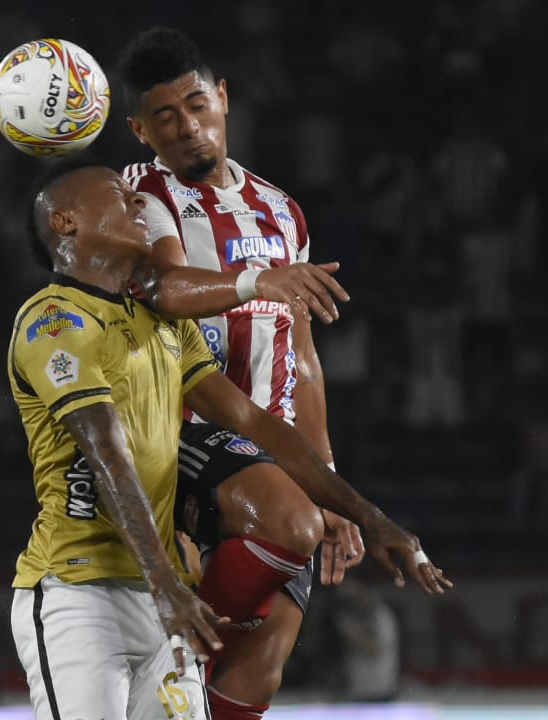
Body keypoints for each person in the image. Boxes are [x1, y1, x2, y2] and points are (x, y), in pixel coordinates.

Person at [8, 158, 448, 720]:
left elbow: (257, 424)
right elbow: (106, 456)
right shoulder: (54, 321)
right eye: (119, 196)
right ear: (66, 223)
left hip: (163, 599)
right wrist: (166, 583)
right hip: (78, 594)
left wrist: (368, 514)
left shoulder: (167, 325)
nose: (139, 202)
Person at [115, 26, 389, 719]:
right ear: (140, 130)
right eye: (165, 117)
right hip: (185, 441)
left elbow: (302, 353)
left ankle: (169, 679)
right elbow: (168, 286)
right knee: (289, 529)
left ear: (225, 98)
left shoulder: (281, 209)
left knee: (258, 674)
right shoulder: (142, 194)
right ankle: (165, 663)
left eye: (197, 105)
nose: (187, 128)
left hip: (274, 449)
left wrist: (324, 474)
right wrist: (258, 278)